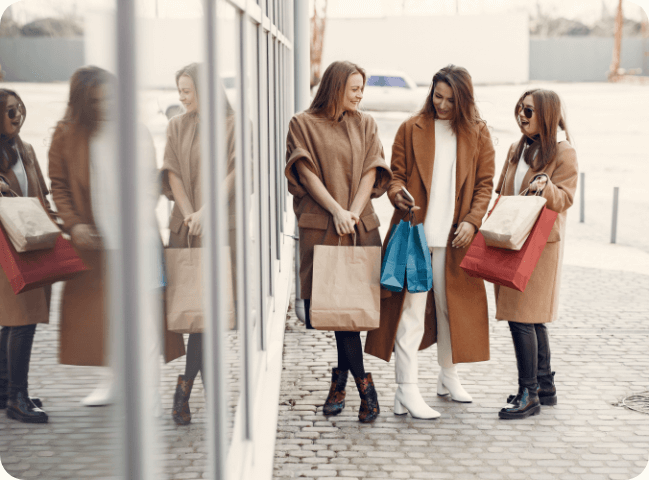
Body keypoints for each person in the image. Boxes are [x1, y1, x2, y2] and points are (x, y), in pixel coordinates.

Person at [49, 66, 185, 406]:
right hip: (95, 243)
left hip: (139, 240)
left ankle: (149, 392)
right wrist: (74, 224)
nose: (107, 105)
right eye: (97, 101)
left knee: (145, 317)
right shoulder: (66, 134)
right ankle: (114, 381)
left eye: (110, 97)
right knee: (105, 318)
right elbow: (59, 186)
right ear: (83, 103)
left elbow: (150, 182)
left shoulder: (134, 131)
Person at [365, 65, 495, 419]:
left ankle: (447, 376)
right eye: (437, 96)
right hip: (415, 234)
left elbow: (485, 184)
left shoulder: (479, 133)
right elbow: (395, 177)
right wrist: (397, 194)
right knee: (411, 314)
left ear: (464, 100)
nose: (442, 105)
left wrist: (472, 220)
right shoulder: (411, 128)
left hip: (456, 239)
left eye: (451, 100)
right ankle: (406, 389)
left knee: (452, 310)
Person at [285, 61, 392, 423]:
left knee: (351, 313)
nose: (361, 95)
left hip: (359, 228)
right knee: (337, 313)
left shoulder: (367, 124)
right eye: (355, 89)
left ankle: (343, 382)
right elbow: (305, 172)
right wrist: (335, 211)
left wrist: (353, 212)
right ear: (335, 88)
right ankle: (364, 386)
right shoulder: (302, 124)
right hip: (323, 228)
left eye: (363, 88)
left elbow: (371, 172)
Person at [496, 89, 578, 420]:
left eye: (529, 111)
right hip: (512, 237)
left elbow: (566, 198)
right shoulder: (520, 147)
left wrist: (546, 184)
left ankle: (529, 393)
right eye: (520, 109)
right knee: (532, 317)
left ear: (546, 114)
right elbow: (505, 189)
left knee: (521, 316)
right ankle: (544, 386)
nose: (522, 116)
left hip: (541, 244)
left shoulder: (563, 152)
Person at [0, 88, 52, 423]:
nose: (16, 115)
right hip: (6, 247)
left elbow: (40, 196)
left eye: (18, 108)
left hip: (31, 244)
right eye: (8, 111)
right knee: (22, 321)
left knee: (13, 322)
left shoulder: (26, 149)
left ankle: (8, 390)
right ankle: (17, 397)